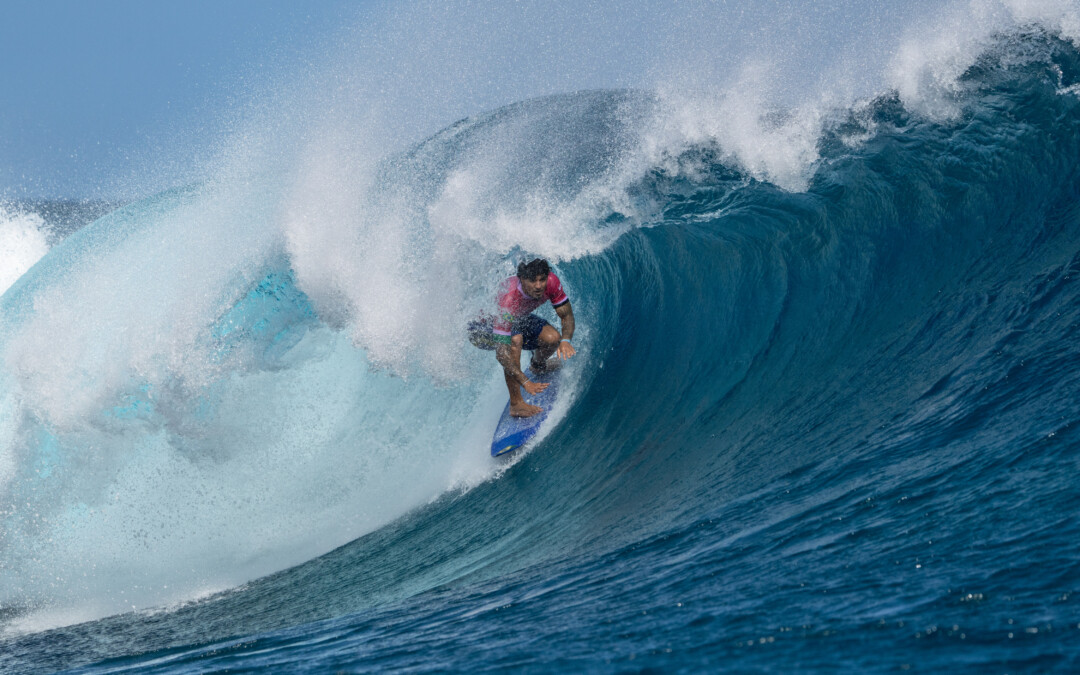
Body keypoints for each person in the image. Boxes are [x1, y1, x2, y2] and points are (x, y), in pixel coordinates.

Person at [468, 258, 576, 417]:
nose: (539, 286)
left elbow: (566, 315)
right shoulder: (509, 298)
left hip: (515, 319)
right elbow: (502, 353)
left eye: (542, 280)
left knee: (553, 338)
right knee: (515, 340)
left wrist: (566, 340)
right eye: (533, 280)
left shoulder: (551, 281)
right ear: (522, 278)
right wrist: (525, 381)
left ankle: (538, 366)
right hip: (480, 329)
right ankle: (516, 404)